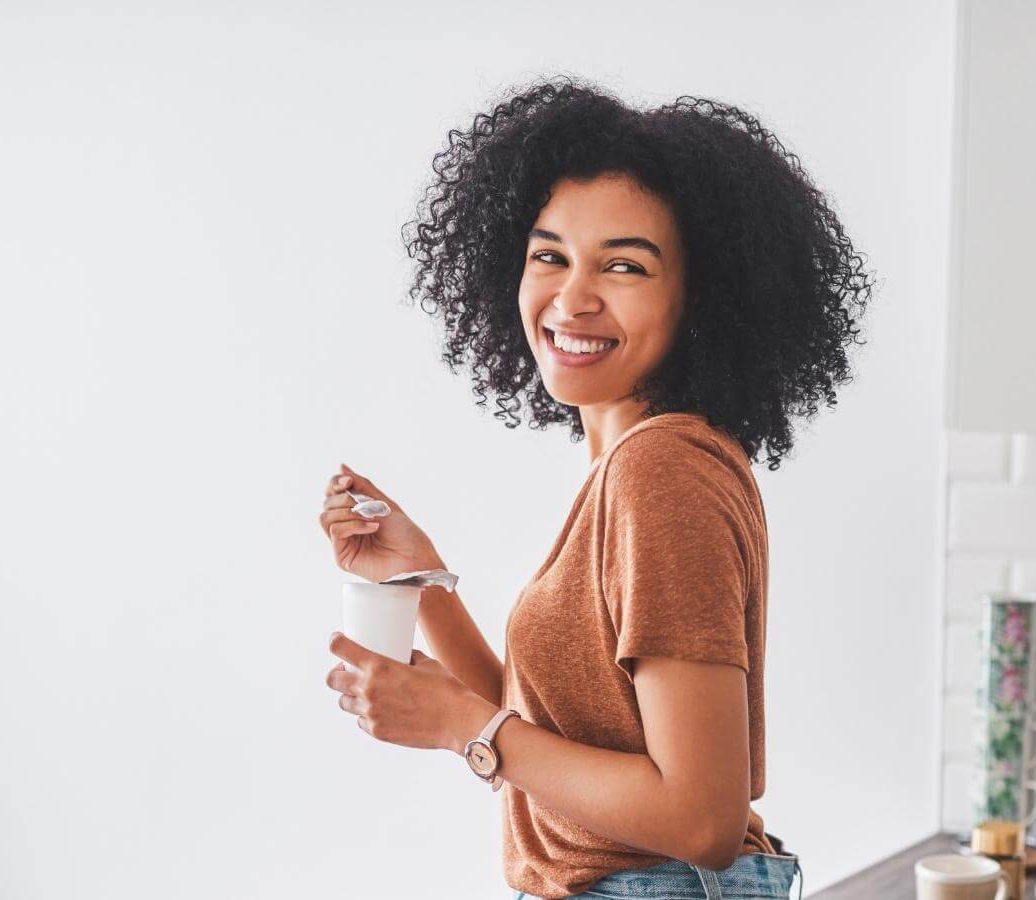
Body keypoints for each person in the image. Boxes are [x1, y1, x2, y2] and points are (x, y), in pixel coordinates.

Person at [321, 75, 876, 899]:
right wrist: (424, 581)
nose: (572, 298)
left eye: (624, 265)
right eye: (550, 255)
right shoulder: (633, 467)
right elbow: (550, 733)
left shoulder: (664, 473)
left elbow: (701, 820)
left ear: (702, 298)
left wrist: (458, 728)